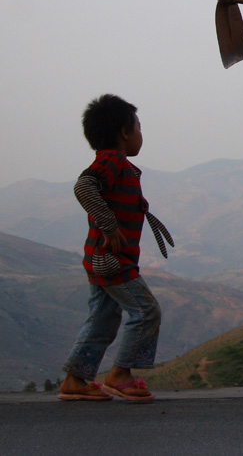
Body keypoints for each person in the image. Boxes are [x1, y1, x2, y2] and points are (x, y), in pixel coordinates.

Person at [58, 94, 173, 403]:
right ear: (124, 131)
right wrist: (109, 225)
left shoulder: (116, 164)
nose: (140, 133)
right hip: (112, 260)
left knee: (103, 318)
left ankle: (75, 379)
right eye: (138, 126)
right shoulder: (111, 162)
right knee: (146, 311)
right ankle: (120, 375)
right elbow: (84, 187)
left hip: (99, 259)